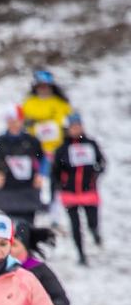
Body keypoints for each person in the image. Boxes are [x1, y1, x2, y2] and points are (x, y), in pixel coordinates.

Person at [52, 112, 106, 265]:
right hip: (69, 192)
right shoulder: (62, 148)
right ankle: (81, 254)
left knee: (92, 221)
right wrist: (59, 184)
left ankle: (95, 233)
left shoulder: (91, 144)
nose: (76, 129)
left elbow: (101, 162)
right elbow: (55, 169)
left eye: (78, 126)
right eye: (73, 127)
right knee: (76, 225)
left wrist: (96, 174)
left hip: (89, 190)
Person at [21, 69, 72, 225]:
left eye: (46, 86)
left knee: (56, 181)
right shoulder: (28, 103)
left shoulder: (60, 104)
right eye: (40, 86)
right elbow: (23, 122)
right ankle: (37, 206)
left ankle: (54, 212)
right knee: (36, 179)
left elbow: (67, 123)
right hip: (36, 150)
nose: (43, 89)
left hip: (57, 150)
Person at [0, 104, 44, 225]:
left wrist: (41, 174)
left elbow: (44, 159)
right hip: (5, 193)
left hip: (28, 191)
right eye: (10, 120)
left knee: (27, 230)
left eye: (16, 120)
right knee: (5, 231)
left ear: (22, 121)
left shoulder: (32, 141)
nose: (13, 124)